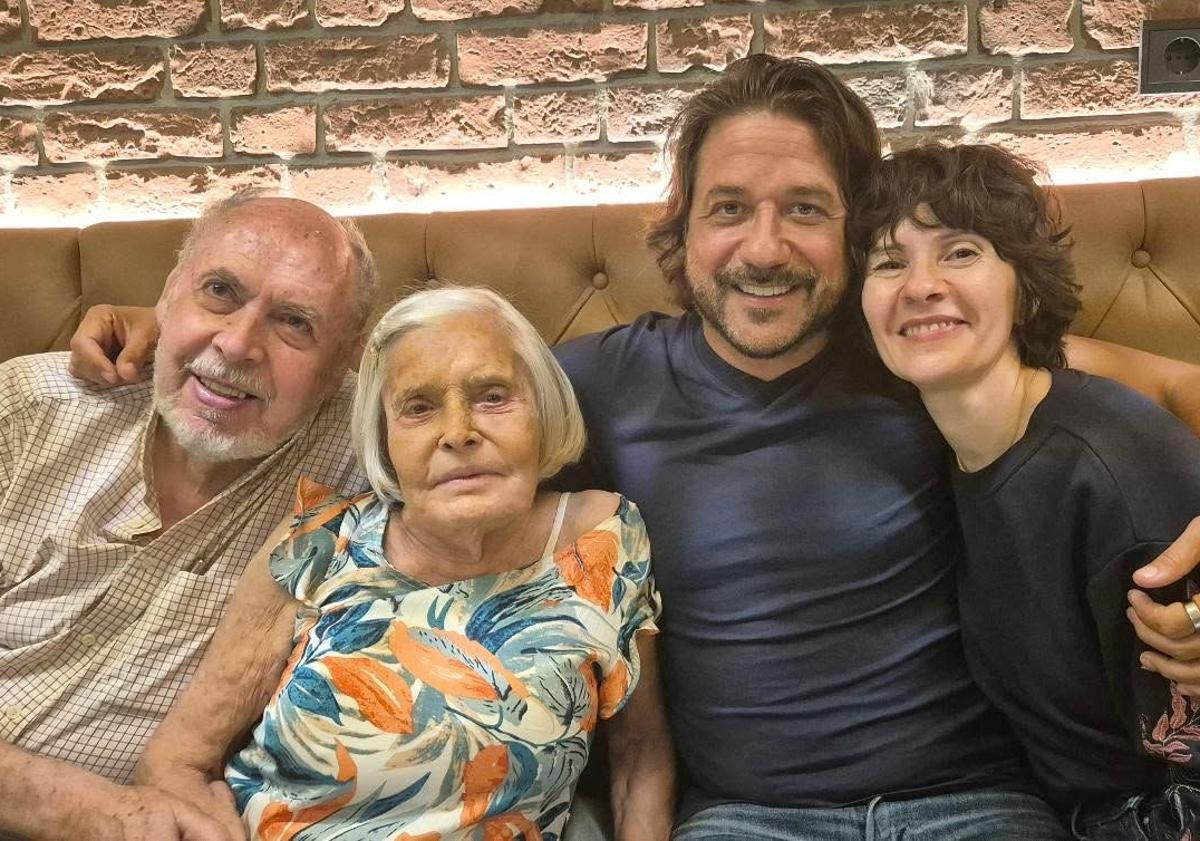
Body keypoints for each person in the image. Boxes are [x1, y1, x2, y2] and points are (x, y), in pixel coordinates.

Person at [66, 55, 1200, 839]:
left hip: (973, 800)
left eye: (805, 209)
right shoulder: (589, 383)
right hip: (747, 815)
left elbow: (1144, 393)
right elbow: (402, 402)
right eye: (728, 209)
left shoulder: (919, 349)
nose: (764, 248)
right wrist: (161, 321)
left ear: (855, 231)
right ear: (680, 225)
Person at [133, 287, 674, 841]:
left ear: (543, 407)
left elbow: (640, 756)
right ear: (385, 439)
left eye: (492, 396)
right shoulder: (321, 540)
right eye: (418, 408)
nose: (458, 431)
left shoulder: (604, 540)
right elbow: (177, 763)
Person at [0, 192, 376, 841]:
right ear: (171, 292)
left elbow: (501, 397)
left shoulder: (377, 455)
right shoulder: (26, 413)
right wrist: (88, 810)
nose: (235, 343)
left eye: (294, 322)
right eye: (219, 291)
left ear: (347, 356)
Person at [854, 142, 1200, 839]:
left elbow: (1184, 763)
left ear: (1025, 289)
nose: (920, 284)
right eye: (890, 261)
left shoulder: (1106, 477)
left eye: (960, 252)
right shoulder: (955, 433)